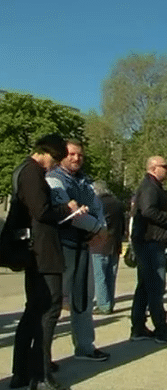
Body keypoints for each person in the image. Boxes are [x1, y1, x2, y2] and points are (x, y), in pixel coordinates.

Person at [10, 134, 82, 390]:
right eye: (55, 159)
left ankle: (21, 371)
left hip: (35, 248)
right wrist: (67, 209)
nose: (54, 165)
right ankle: (40, 373)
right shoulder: (32, 173)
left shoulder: (22, 170)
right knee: (48, 309)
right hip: (43, 249)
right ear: (47, 153)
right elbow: (40, 212)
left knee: (34, 311)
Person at [46, 139, 110, 362]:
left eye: (80, 155)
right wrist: (97, 228)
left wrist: (100, 228)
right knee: (53, 303)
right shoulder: (54, 179)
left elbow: (96, 207)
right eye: (71, 154)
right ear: (62, 156)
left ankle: (85, 347)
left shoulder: (84, 181)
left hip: (84, 245)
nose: (76, 158)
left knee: (83, 298)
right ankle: (42, 358)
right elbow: (71, 215)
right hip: (62, 246)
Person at [130, 156, 167, 344]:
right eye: (165, 166)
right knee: (155, 287)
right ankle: (161, 327)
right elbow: (148, 211)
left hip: (150, 241)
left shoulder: (153, 186)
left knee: (144, 286)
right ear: (153, 168)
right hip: (150, 241)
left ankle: (138, 327)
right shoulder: (150, 187)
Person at [89, 181, 125, 315]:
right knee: (111, 276)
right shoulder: (117, 203)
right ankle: (109, 302)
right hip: (115, 244)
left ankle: (104, 304)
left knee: (100, 276)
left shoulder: (96, 204)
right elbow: (123, 223)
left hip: (99, 244)